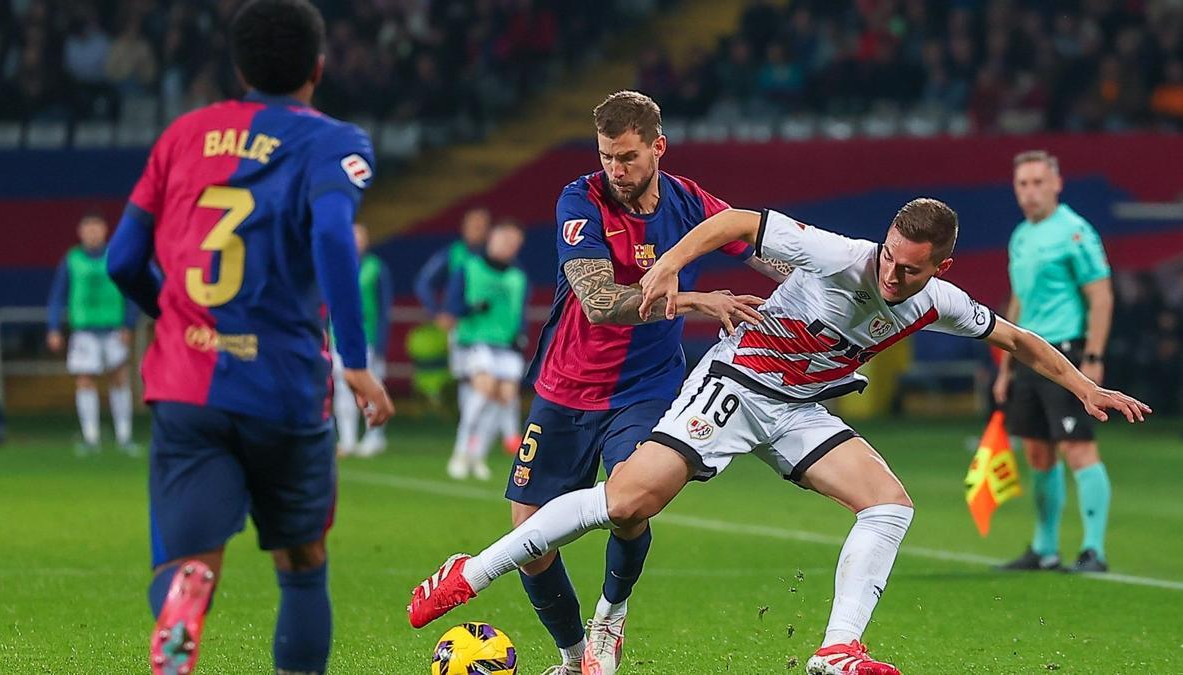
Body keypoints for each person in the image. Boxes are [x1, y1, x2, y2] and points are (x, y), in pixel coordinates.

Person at [407, 198, 1150, 675]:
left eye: (909, 268)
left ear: (941, 268)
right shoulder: (836, 251)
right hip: (734, 385)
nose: (890, 273)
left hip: (799, 410)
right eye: (889, 255)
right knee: (629, 498)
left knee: (889, 504)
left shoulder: (943, 299)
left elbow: (1017, 338)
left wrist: (1085, 386)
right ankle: (472, 571)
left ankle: (835, 649)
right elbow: (737, 225)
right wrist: (669, 264)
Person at [414, 90, 786, 675]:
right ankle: (570, 658)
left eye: (629, 157)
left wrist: (828, 290)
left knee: (631, 503)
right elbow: (599, 302)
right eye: (607, 155)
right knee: (530, 536)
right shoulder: (580, 200)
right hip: (565, 386)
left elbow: (769, 253)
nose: (616, 170)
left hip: (645, 387)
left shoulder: (687, 199)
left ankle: (609, 619)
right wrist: (695, 299)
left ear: (658, 148)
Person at [104, 1, 393, 674]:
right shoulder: (332, 141)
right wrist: (354, 359)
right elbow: (330, 234)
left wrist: (171, 314)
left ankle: (182, 598)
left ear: (238, 66)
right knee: (301, 563)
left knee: (186, 563)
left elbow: (121, 258)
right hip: (283, 385)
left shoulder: (181, 136)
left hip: (185, 384)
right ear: (318, 67)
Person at [992, 150, 1116, 574]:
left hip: (1066, 352)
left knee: (1078, 449)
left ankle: (1093, 550)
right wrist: (1006, 366)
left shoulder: (1075, 231)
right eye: (1022, 184)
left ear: (1056, 184)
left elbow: (1100, 296)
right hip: (1027, 355)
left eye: (1037, 183)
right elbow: (1019, 301)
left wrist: (1093, 359)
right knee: (1038, 454)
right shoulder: (1021, 236)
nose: (1029, 192)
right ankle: (1045, 549)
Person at [47, 212, 139, 455]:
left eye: (96, 227)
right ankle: (91, 437)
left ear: (105, 230)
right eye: (87, 228)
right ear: (80, 232)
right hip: (84, 330)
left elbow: (131, 290)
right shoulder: (72, 259)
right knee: (85, 379)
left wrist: (129, 324)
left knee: (119, 377)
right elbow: (58, 295)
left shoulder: (116, 255)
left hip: (113, 329)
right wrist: (54, 327)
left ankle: (124, 436)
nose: (92, 232)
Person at [445, 220, 528, 480]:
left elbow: (519, 312)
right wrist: (471, 308)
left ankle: (477, 454)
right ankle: (460, 452)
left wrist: (520, 335)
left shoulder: (517, 277)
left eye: (513, 243)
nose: (507, 247)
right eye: (503, 241)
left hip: (506, 344)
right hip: (475, 340)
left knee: (505, 397)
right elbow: (452, 305)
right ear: (491, 241)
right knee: (484, 389)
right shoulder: (470, 268)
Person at [415, 206, 492, 421]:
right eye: (474, 225)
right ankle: (468, 428)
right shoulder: (453, 253)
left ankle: (480, 430)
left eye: (482, 225)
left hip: (490, 327)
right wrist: (437, 312)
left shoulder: (494, 255)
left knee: (491, 378)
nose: (478, 229)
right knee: (466, 376)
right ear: (464, 228)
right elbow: (423, 283)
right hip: (461, 325)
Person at [333, 223, 393, 457]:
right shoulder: (335, 266)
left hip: (367, 337)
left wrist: (381, 343)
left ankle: (374, 436)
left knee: (371, 387)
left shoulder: (376, 268)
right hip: (339, 337)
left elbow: (384, 306)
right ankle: (347, 439)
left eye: (360, 237)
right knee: (342, 387)